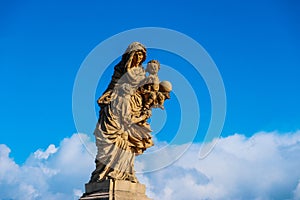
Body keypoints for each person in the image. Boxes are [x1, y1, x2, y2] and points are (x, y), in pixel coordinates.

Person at [89, 42, 153, 183]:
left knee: (126, 141)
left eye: (141, 54)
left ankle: (124, 172)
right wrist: (106, 95)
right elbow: (112, 85)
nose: (139, 57)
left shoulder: (142, 72)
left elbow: (145, 91)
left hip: (133, 105)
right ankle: (104, 173)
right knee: (109, 141)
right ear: (130, 55)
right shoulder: (120, 69)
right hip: (116, 105)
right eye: (136, 54)